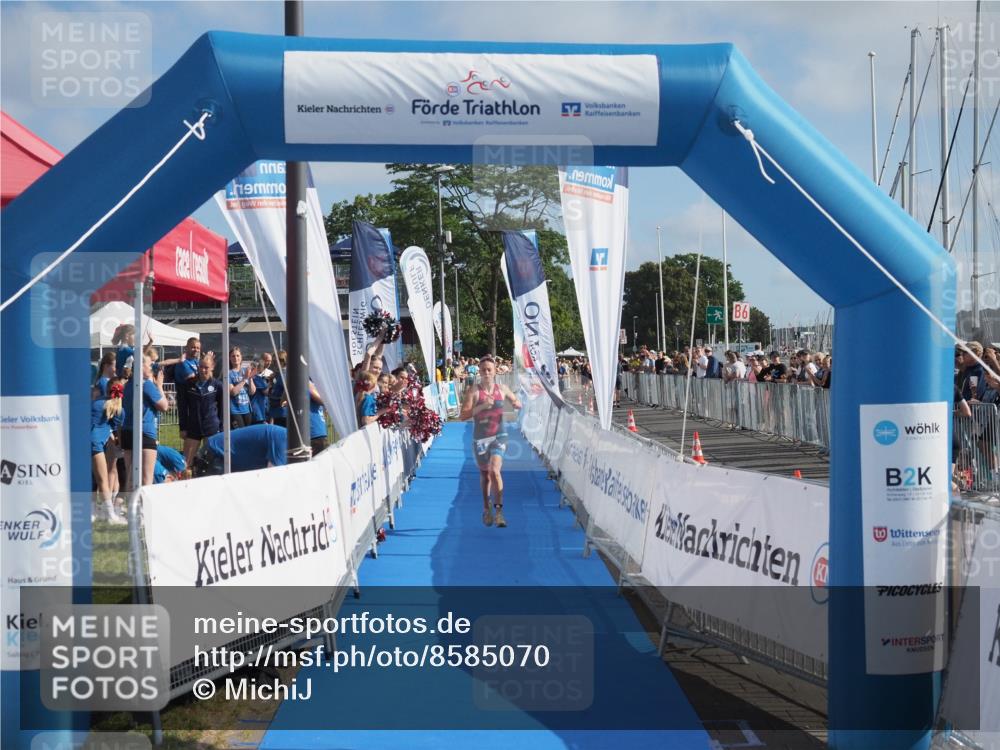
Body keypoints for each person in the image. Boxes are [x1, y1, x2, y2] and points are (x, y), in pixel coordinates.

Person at [460, 355, 522, 528]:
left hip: (499, 436)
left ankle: (499, 513)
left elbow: (517, 402)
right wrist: (482, 406)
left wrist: (517, 403)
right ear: (479, 372)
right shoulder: (473, 391)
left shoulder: (502, 388)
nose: (486, 373)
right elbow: (463, 416)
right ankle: (486, 508)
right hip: (480, 438)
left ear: (495, 372)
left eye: (490, 370)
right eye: (483, 370)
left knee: (495, 471)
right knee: (485, 475)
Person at [121, 354, 169, 488]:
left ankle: (125, 506)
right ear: (141, 366)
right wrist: (159, 386)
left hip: (128, 431)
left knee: (130, 477)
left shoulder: (128, 385)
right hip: (145, 432)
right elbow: (164, 406)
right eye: (150, 365)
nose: (151, 368)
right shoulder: (145, 384)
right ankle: (141, 508)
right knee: (146, 479)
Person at [91, 378, 126, 524]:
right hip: (95, 443)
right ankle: (111, 515)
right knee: (102, 479)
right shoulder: (119, 410)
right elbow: (117, 430)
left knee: (92, 478)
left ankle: (92, 511)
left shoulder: (98, 402)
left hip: (86, 440)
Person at [192, 424, 288, 476]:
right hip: (217, 454)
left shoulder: (282, 435)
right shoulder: (283, 439)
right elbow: (273, 477)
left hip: (219, 452)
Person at [182, 355, 224, 466]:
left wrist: (221, 428)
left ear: (212, 367)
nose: (203, 370)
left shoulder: (217, 385)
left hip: (211, 428)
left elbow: (223, 409)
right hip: (193, 427)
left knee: (211, 463)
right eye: (201, 367)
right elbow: (182, 407)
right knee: (185, 463)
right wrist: (183, 427)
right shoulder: (189, 384)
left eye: (206, 367)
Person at [228, 346, 257, 430]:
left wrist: (250, 378)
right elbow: (233, 392)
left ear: (241, 357)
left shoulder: (245, 370)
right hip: (235, 411)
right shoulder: (229, 373)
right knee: (239, 435)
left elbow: (252, 392)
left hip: (247, 409)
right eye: (233, 356)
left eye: (237, 355)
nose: (235, 358)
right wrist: (244, 379)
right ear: (229, 358)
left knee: (248, 435)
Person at [269, 350, 288, 427]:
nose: (273, 364)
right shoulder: (279, 374)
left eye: (275, 361)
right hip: (278, 413)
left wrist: (282, 402)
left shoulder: (284, 374)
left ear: (282, 361)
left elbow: (287, 390)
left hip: (282, 412)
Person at [309, 381, 328, 455]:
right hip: (315, 434)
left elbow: (325, 401)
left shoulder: (309, 385)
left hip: (316, 434)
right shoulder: (309, 385)